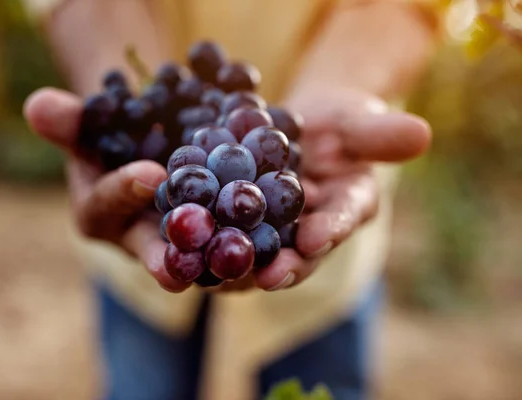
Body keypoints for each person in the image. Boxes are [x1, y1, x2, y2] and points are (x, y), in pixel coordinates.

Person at [22, 0, 444, 399]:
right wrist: (114, 72)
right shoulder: (190, 171)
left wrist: (348, 76)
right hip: (141, 242)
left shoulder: (248, 177)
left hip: (327, 249)